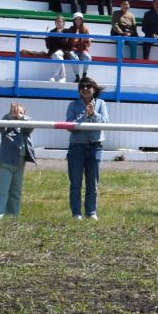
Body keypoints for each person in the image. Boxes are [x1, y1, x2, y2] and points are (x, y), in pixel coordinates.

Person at [64, 77, 107, 219]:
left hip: (95, 147)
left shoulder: (101, 104)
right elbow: (69, 125)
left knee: (92, 183)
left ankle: (91, 212)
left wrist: (93, 114)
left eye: (89, 86)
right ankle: (76, 213)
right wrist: (84, 116)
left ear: (94, 89)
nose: (85, 88)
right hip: (77, 148)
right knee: (75, 183)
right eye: (82, 86)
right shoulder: (73, 105)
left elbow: (105, 122)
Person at [0, 103, 37, 218]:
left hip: (20, 164)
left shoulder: (25, 129)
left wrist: (22, 118)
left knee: (16, 192)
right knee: (3, 191)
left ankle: (13, 215)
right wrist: (8, 116)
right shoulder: (7, 127)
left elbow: (32, 124)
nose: (17, 115)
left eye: (20, 113)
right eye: (14, 112)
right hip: (6, 163)